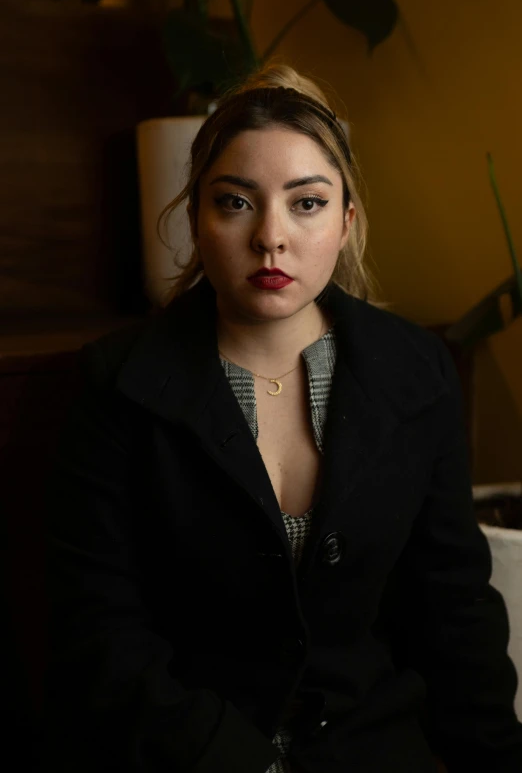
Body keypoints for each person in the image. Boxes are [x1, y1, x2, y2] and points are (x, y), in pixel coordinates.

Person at [42, 64, 522, 773]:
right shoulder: (119, 384)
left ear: (346, 219)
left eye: (306, 203)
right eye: (236, 201)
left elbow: (455, 611)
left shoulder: (415, 372)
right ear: (195, 216)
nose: (271, 237)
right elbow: (100, 633)